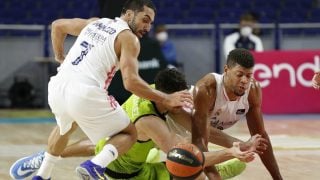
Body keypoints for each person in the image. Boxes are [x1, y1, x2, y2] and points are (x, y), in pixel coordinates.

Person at [10, 1, 193, 180]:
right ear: (129, 14)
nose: (148, 26)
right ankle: (95, 166)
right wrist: (166, 99)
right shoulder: (129, 38)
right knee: (128, 134)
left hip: (58, 87)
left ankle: (43, 174)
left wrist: (60, 56)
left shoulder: (95, 22)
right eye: (145, 19)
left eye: (151, 23)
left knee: (67, 127)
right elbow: (130, 83)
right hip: (85, 92)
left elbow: (57, 26)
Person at [10, 68, 267, 180]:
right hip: (129, 175)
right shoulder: (151, 121)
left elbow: (202, 130)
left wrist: (241, 143)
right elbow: (186, 157)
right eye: (177, 101)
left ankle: (48, 156)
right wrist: (232, 152)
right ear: (166, 97)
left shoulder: (157, 92)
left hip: (116, 143)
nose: (182, 105)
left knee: (101, 145)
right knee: (215, 167)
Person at [191, 48, 282, 179]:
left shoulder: (253, 90)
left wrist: (278, 178)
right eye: (239, 75)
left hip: (209, 132)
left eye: (249, 75)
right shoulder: (206, 89)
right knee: (191, 168)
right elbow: (199, 143)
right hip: (181, 128)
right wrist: (215, 178)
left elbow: (260, 137)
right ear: (226, 70)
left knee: (244, 157)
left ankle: (215, 169)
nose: (245, 80)